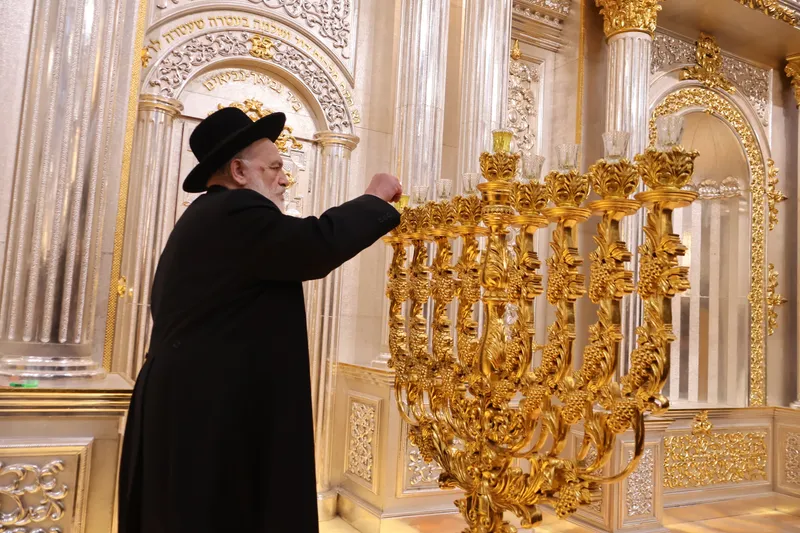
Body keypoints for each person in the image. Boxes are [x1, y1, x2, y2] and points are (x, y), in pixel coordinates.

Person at [117, 107, 402, 533]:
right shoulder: (235, 210)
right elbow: (313, 246)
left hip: (198, 404)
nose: (285, 179)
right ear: (238, 171)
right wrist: (374, 199)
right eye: (274, 167)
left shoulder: (208, 215)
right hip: (208, 414)